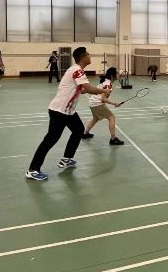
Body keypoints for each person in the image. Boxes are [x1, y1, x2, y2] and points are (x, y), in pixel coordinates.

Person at [26, 46, 110, 179]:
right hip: (59, 110)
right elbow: (88, 88)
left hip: (68, 111)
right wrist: (104, 91)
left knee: (78, 130)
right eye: (88, 54)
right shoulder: (77, 71)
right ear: (83, 57)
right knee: (51, 139)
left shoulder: (76, 70)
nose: (90, 56)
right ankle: (33, 169)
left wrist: (97, 91)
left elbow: (81, 90)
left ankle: (66, 159)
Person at [83, 66, 125, 145]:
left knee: (95, 118)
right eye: (116, 73)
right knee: (111, 117)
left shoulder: (106, 82)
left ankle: (85, 133)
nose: (118, 74)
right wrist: (114, 103)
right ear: (112, 76)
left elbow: (103, 98)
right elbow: (103, 99)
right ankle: (113, 139)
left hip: (92, 102)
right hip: (97, 103)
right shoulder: (108, 84)